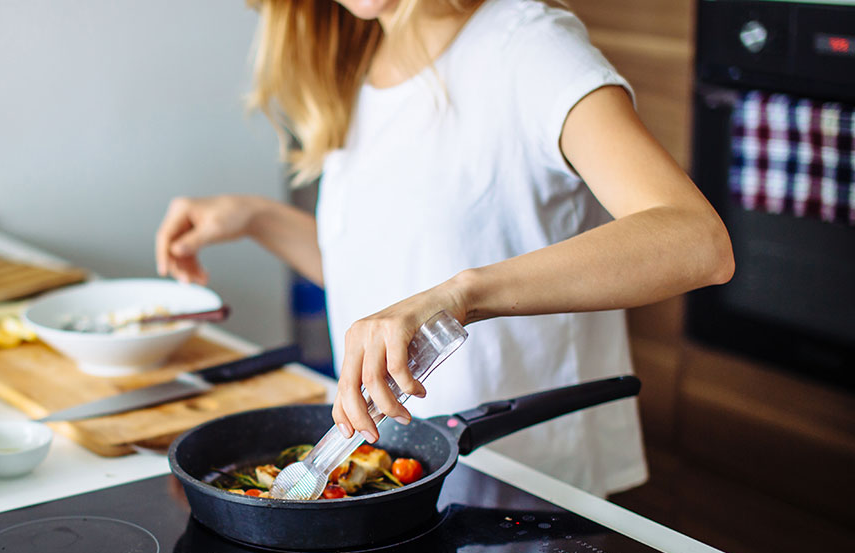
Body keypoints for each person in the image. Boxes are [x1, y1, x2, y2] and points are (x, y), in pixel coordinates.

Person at [154, 0, 733, 496]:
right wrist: (258, 218)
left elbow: (696, 241)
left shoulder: (529, 47)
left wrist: (463, 296)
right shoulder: (362, 64)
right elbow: (388, 281)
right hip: (395, 478)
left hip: (521, 482)